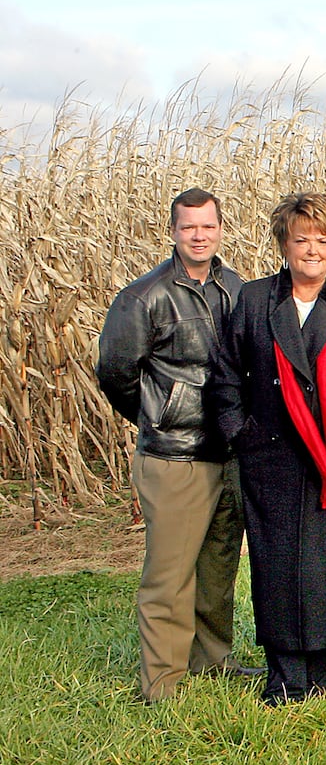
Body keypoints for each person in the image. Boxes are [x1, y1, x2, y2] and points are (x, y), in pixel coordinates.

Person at [210, 193, 326, 705]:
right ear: (283, 244)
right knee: (278, 568)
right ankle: (286, 677)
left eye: (321, 239)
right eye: (301, 239)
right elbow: (225, 381)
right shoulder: (253, 301)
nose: (311, 249)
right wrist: (244, 436)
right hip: (271, 464)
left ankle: (324, 669)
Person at [97, 187, 259, 702]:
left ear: (219, 229)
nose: (199, 235)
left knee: (218, 568)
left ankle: (212, 661)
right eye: (189, 227)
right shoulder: (143, 297)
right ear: (173, 231)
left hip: (227, 453)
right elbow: (116, 373)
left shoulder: (235, 288)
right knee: (169, 576)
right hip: (174, 457)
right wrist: (159, 415)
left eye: (207, 226)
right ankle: (162, 683)